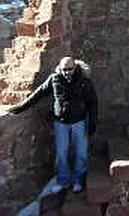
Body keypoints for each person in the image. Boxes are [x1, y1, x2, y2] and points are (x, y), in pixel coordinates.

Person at [8, 57, 98, 194]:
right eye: (64, 69)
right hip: (61, 122)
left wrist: (92, 123)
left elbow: (93, 103)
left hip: (78, 122)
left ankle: (78, 180)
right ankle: (63, 181)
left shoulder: (84, 82)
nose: (67, 72)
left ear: (75, 67)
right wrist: (21, 107)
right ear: (60, 69)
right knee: (61, 154)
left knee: (81, 153)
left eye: (70, 69)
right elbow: (38, 94)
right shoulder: (55, 79)